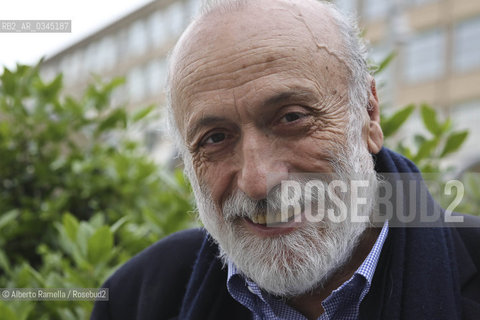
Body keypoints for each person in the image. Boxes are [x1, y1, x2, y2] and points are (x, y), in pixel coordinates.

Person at [91, 0, 480, 319]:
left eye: (292, 118)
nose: (258, 181)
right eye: (215, 138)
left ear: (368, 114)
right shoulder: (136, 299)